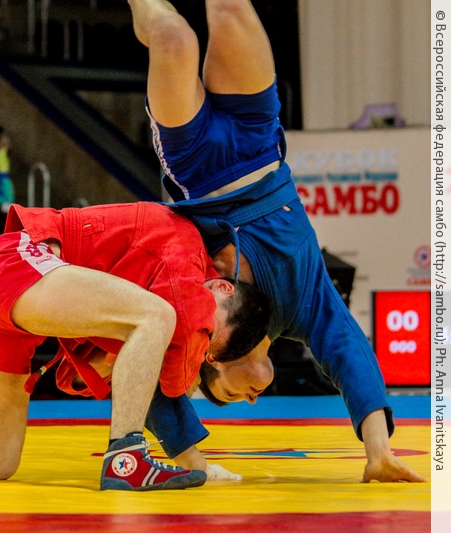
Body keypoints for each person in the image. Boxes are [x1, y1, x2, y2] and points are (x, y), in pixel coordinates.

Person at [128, 0, 424, 483]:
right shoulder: (303, 310)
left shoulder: (194, 319)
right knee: (230, 8)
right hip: (258, 139)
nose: (250, 400)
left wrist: (190, 460)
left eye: (228, 394)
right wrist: (379, 451)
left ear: (211, 359)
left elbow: (155, 383)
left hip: (194, 162)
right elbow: (350, 353)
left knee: (174, 38)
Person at [0, 201, 271, 491]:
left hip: (3, 309)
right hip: (18, 264)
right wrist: (191, 375)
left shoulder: (142, 300)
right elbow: (175, 365)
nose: (200, 339)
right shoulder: (186, 249)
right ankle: (126, 458)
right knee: (158, 316)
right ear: (222, 287)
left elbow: (87, 377)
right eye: (210, 334)